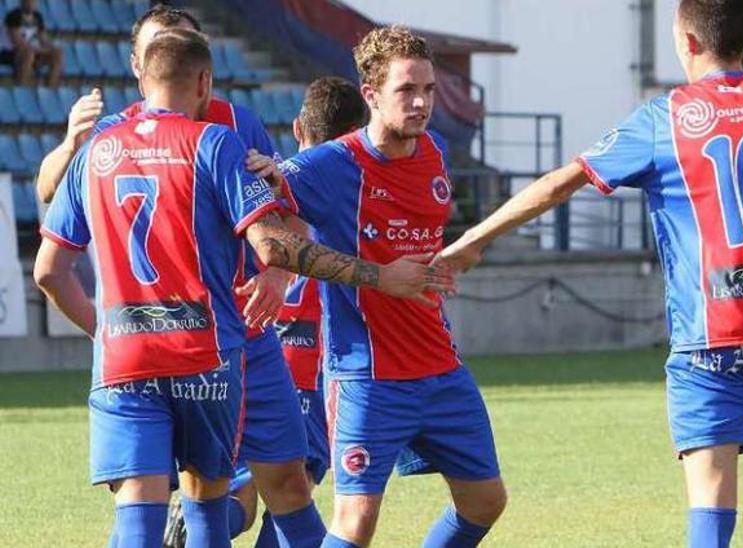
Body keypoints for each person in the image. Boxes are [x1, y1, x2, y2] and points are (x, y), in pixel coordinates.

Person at [434, 1, 743, 546]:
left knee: (711, 508)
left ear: (687, 43)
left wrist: (470, 241)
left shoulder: (663, 117)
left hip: (710, 338)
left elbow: (559, 183)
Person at [32, 29, 445, 548]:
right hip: (207, 349)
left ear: (143, 69)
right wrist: (378, 275)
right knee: (208, 499)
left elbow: (48, 270)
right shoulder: (215, 141)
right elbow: (274, 240)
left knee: (149, 508)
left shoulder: (102, 148)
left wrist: (104, 329)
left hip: (133, 353)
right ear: (203, 79)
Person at [31, 6, 326, 545]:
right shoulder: (116, 135)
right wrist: (68, 145)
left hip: (245, 339)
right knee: (198, 492)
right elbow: (49, 189)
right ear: (139, 67)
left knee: (286, 483)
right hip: (196, 345)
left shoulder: (238, 125)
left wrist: (279, 279)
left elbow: (292, 209)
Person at [261, 26, 507, 548]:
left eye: (429, 89)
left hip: (440, 367)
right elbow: (265, 216)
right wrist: (376, 276)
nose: (421, 103)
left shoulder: (436, 152)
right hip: (366, 376)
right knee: (355, 524)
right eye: (406, 91)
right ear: (371, 95)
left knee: (486, 500)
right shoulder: (330, 165)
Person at [232, 76, 367, 548]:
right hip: (311, 366)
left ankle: (201, 522)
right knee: (295, 491)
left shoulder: (258, 180)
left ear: (296, 127)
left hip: (250, 351)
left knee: (240, 491)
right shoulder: (351, 188)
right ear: (357, 136)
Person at [2, 0, 61, 86]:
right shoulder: (13, 17)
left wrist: (50, 47)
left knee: (57, 53)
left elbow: (43, 39)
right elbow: (18, 42)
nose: (32, 4)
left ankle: (51, 89)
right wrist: (38, 50)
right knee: (28, 54)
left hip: (32, 51)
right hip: (10, 53)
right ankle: (21, 87)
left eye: (34, 2)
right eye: (29, 1)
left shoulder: (37, 17)